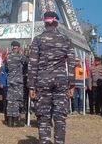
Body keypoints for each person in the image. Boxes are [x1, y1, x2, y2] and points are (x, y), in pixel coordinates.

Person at [28, 11, 75, 144]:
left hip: (42, 81)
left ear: (44, 23)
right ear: (56, 22)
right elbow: (71, 63)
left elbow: (32, 63)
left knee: (43, 116)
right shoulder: (66, 39)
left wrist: (31, 85)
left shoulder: (37, 39)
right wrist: (72, 84)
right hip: (61, 81)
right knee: (60, 116)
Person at [5, 40, 28, 126]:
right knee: (17, 101)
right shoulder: (20, 56)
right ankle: (15, 121)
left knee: (10, 101)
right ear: (18, 47)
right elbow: (28, 62)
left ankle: (10, 121)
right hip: (18, 81)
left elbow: (6, 68)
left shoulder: (8, 57)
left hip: (10, 81)